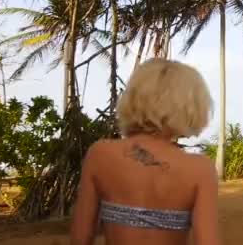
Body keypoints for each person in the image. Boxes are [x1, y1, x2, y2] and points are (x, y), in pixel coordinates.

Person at [70, 59, 219, 245]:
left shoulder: (100, 154)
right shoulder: (200, 169)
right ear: (190, 107)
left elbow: (80, 238)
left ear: (133, 98)